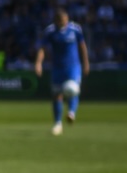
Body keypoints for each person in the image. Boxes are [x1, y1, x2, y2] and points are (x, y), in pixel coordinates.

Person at [35, 7, 88, 135]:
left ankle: (71, 112)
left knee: (72, 89)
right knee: (56, 95)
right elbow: (42, 48)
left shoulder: (75, 29)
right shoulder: (50, 31)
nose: (64, 22)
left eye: (65, 19)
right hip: (57, 68)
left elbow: (83, 46)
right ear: (56, 20)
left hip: (73, 66)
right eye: (61, 20)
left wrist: (86, 62)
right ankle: (57, 123)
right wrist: (38, 63)